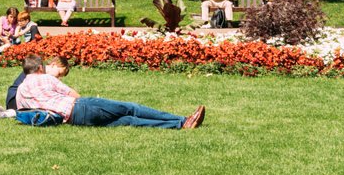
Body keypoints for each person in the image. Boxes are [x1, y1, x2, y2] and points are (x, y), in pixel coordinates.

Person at [15, 54, 205, 129]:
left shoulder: (21, 92)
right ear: (40, 67)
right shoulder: (46, 78)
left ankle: (180, 126)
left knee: (130, 122)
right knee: (131, 108)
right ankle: (182, 119)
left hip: (78, 121)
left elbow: (23, 112)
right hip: (81, 107)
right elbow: (73, 95)